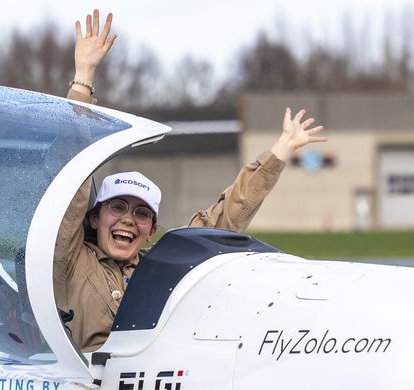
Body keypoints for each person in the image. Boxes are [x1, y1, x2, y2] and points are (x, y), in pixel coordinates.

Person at [54, 9, 328, 352]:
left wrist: (279, 152)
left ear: (151, 231)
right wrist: (84, 78)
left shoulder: (159, 270)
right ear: (94, 218)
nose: (128, 218)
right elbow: (73, 177)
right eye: (118, 207)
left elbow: (223, 220)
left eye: (141, 213)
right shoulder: (70, 257)